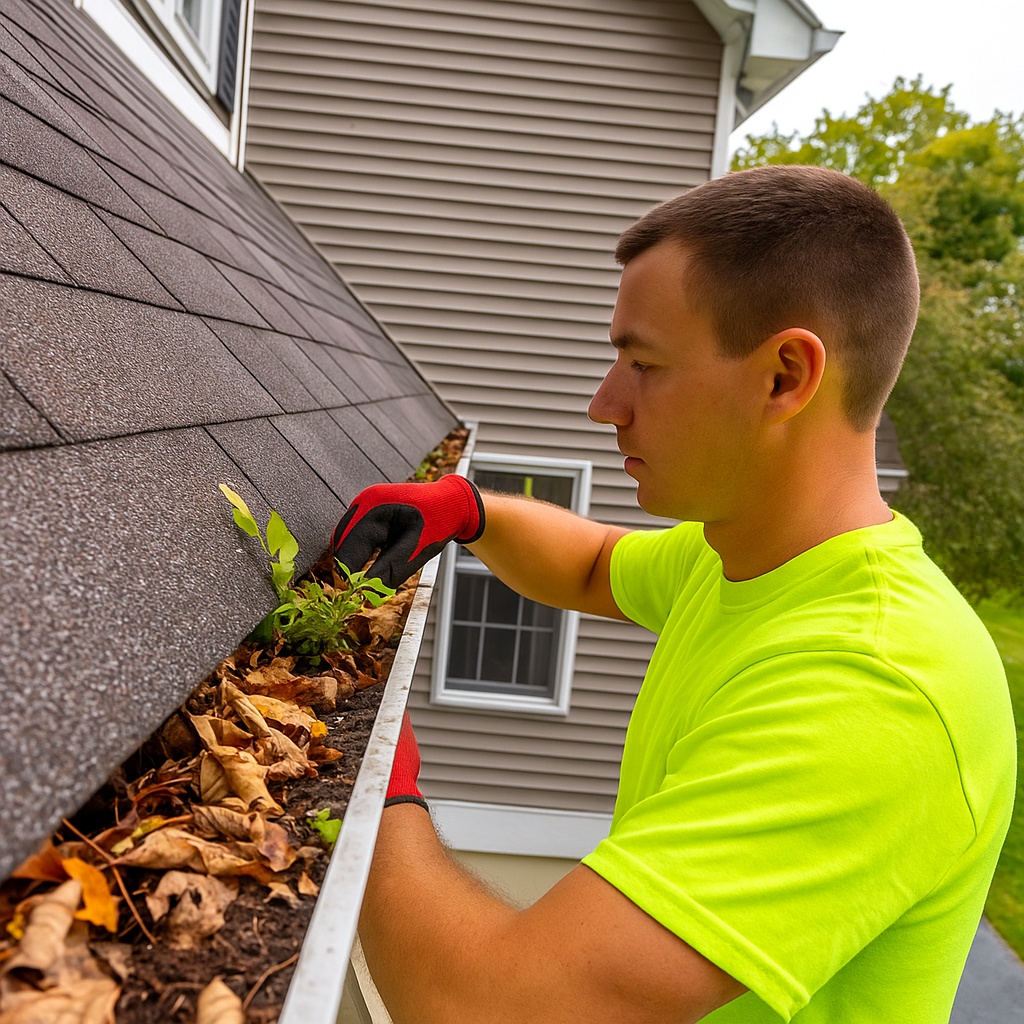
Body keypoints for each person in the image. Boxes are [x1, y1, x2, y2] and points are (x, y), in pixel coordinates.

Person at [333, 165, 1016, 1023]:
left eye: (643, 363)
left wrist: (365, 780)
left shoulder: (877, 690)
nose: (602, 405)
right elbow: (591, 564)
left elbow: (483, 1007)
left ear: (784, 377)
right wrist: (466, 511)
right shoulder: (743, 556)